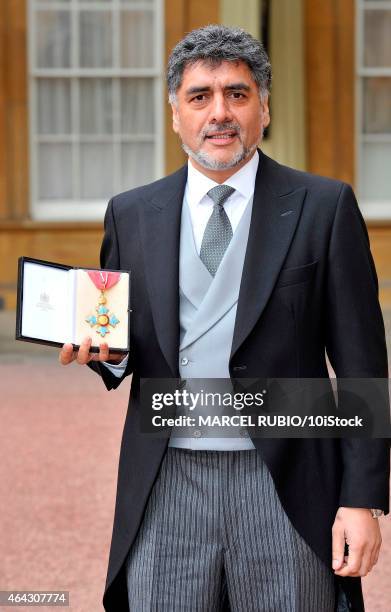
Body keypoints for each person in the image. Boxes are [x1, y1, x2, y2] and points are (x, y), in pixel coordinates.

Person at [59, 25, 389, 612]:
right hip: (167, 481)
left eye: (237, 94)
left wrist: (361, 499)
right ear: (175, 113)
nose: (220, 113)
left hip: (287, 481)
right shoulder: (131, 214)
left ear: (264, 107)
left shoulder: (324, 206)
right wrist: (104, 357)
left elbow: (363, 366)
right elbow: (127, 347)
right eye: (200, 96)